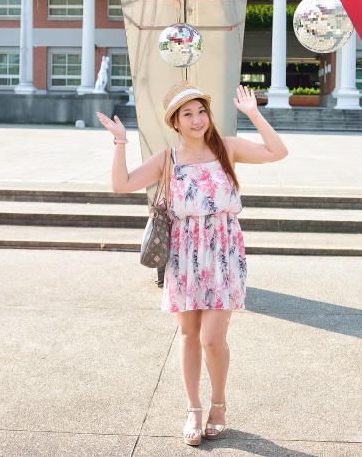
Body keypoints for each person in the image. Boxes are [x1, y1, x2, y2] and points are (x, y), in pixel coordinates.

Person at [96, 81, 288, 446]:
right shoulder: (167, 159)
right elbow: (121, 184)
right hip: (184, 256)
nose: (197, 119)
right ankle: (193, 409)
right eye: (188, 114)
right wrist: (121, 141)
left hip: (223, 253)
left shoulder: (227, 148)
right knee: (188, 335)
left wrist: (252, 113)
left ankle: (219, 404)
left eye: (201, 111)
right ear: (176, 122)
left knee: (213, 338)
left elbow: (277, 151)